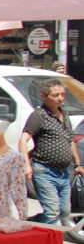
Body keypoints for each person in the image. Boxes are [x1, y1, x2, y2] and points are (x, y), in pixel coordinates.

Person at [20, 78, 84, 225]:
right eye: (56, 95)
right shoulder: (39, 116)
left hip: (63, 173)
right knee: (52, 213)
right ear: (44, 96)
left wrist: (77, 164)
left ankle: (31, 223)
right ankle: (50, 243)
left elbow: (70, 141)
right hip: (44, 171)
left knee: (65, 211)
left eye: (62, 94)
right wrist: (27, 165)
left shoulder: (64, 115)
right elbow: (23, 140)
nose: (60, 98)